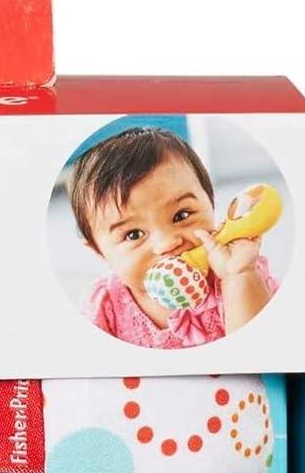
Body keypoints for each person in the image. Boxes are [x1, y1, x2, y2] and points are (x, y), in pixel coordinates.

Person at [69, 126, 278, 348]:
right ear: (99, 251)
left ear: (211, 203)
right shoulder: (104, 306)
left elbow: (258, 350)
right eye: (133, 234)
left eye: (182, 215)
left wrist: (238, 277)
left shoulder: (240, 270)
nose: (167, 243)